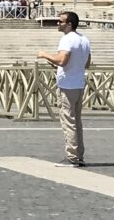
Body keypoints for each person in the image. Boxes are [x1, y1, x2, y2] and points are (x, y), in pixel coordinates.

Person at [35, 10, 91, 167]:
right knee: (76, 121)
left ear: (69, 24)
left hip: (67, 85)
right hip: (79, 83)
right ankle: (79, 155)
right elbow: (86, 64)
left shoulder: (67, 39)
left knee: (68, 121)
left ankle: (71, 157)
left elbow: (62, 60)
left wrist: (44, 54)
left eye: (60, 21)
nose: (57, 24)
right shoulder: (84, 39)